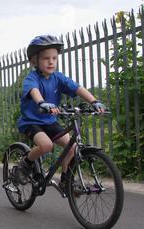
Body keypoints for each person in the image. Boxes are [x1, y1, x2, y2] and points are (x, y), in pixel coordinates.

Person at [17, 35, 106, 191]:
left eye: (54, 58)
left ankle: (66, 180)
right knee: (46, 145)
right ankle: (26, 164)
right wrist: (42, 103)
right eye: (46, 58)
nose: (51, 62)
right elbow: (34, 91)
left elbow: (77, 88)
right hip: (32, 122)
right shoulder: (32, 78)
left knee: (72, 148)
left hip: (50, 122)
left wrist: (94, 101)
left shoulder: (58, 78)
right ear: (34, 61)